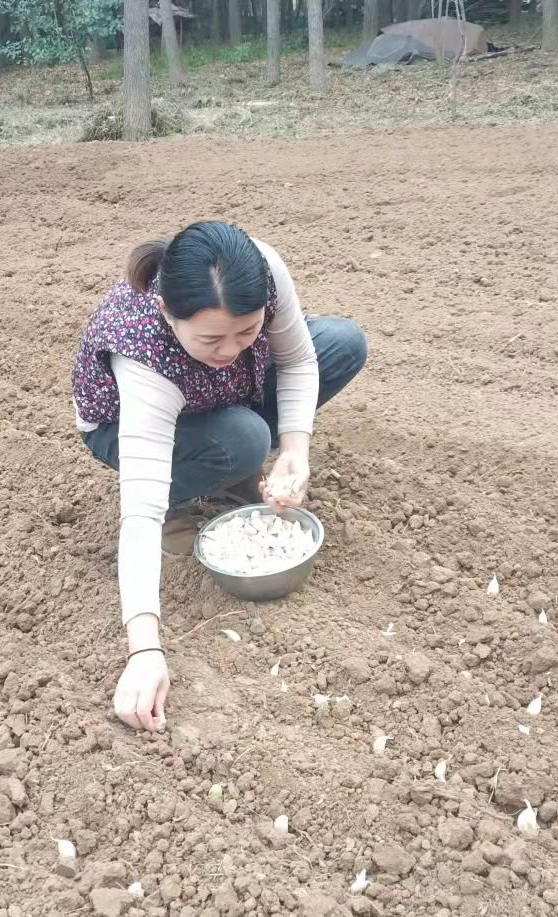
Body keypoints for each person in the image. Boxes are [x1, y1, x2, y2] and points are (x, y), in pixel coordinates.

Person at [71, 221, 367, 733]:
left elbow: (298, 359)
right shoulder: (141, 350)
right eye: (211, 337)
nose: (231, 348)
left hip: (216, 392)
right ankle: (190, 490)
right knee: (246, 439)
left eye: (247, 332)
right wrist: (144, 649)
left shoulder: (261, 268)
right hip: (119, 427)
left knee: (342, 341)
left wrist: (296, 449)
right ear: (168, 312)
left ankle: (229, 464)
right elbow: (137, 510)